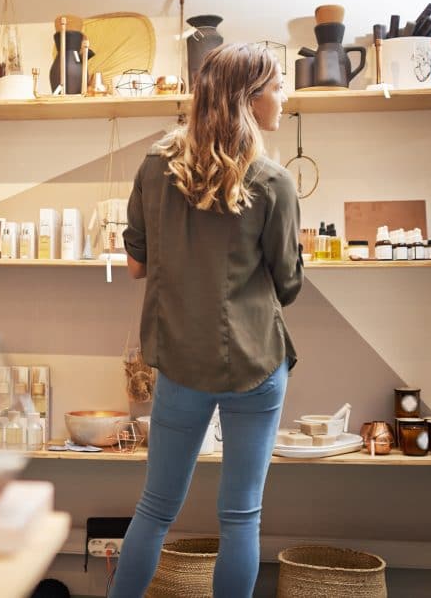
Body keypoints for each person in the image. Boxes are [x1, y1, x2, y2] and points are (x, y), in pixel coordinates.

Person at [109, 43, 303, 598]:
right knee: (241, 516)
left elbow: (135, 266)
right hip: (255, 363)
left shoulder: (154, 167)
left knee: (154, 509)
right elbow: (288, 286)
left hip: (179, 361)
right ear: (248, 99)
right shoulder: (273, 182)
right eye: (276, 86)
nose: (283, 96)